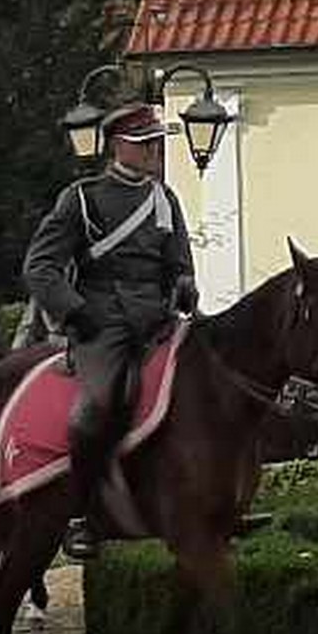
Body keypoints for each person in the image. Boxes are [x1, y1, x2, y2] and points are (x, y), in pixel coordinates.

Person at [20, 98, 198, 560]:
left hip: (159, 318)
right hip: (104, 319)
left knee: (211, 385)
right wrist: (76, 313)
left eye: (158, 141)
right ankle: (83, 515)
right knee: (94, 410)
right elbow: (40, 268)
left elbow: (178, 259)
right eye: (147, 143)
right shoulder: (81, 198)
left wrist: (185, 284)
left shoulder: (165, 196)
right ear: (119, 146)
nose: (156, 150)